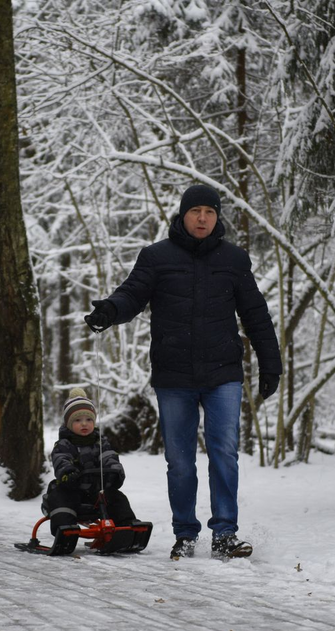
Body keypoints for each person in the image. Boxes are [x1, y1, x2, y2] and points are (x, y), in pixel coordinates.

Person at [84, 184, 282, 560]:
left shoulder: (234, 259)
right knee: (179, 460)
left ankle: (225, 534)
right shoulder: (156, 256)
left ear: (217, 217)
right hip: (173, 375)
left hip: (223, 373)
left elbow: (255, 314)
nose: (202, 218)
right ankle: (185, 533)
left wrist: (271, 363)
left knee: (224, 453)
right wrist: (109, 310)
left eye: (210, 212)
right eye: (195, 211)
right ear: (183, 214)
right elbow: (132, 294)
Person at [41, 387, 137, 536]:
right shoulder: (64, 445)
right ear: (69, 423)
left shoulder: (100, 443)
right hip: (72, 489)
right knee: (60, 497)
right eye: (78, 420)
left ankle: (127, 527)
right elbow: (61, 459)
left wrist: (114, 471)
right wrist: (68, 473)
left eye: (89, 419)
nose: (84, 424)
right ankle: (64, 530)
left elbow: (109, 457)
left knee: (116, 497)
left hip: (96, 492)